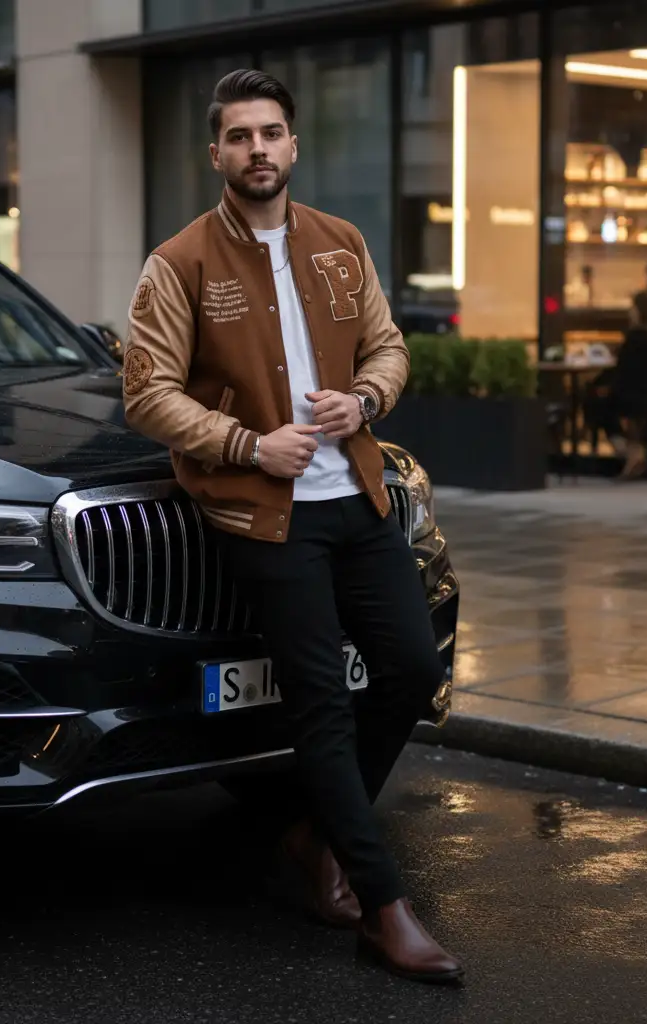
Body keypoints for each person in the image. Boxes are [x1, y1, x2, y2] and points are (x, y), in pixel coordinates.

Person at [120, 69, 463, 985]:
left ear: (294, 146)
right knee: (317, 702)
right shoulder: (180, 261)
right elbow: (145, 392)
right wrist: (241, 442)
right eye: (240, 136)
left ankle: (315, 834)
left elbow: (388, 345)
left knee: (412, 669)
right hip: (261, 514)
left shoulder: (341, 244)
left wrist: (366, 398)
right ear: (217, 154)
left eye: (272, 133)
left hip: (357, 496)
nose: (258, 149)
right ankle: (381, 904)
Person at [585, 289, 647, 479]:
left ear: (638, 310)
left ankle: (629, 453)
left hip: (632, 395)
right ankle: (633, 453)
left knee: (594, 402)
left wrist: (607, 388)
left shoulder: (638, 336)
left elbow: (624, 370)